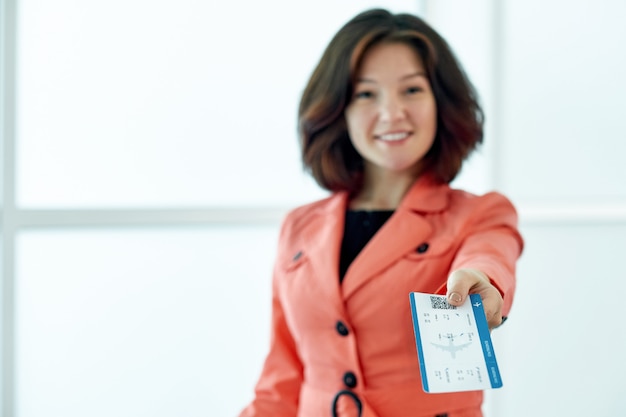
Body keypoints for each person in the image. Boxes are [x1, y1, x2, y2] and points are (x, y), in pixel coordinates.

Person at [239, 8, 523, 417]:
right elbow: (281, 379)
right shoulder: (299, 227)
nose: (392, 113)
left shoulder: (479, 214)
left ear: (441, 102)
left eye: (411, 90)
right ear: (340, 109)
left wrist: (483, 285)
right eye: (366, 93)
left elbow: (490, 259)